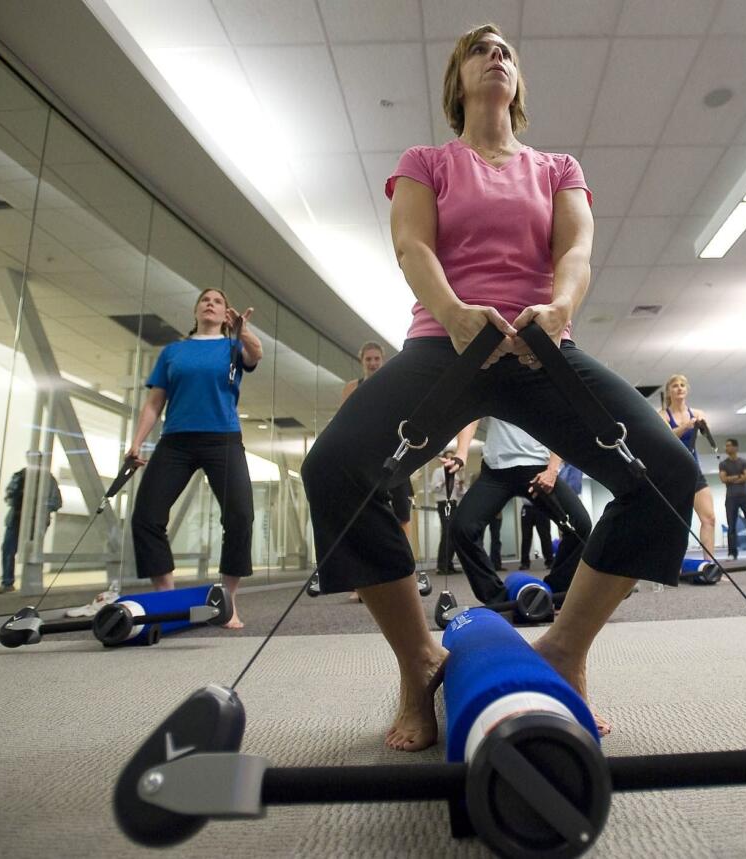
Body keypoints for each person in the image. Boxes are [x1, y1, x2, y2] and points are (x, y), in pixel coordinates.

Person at [299, 24, 698, 751]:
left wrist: (562, 308)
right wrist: (453, 315)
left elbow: (575, 249)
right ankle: (419, 658)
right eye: (481, 48)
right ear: (459, 79)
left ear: (518, 84)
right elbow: (410, 244)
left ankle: (565, 648)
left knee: (667, 472)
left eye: (507, 50)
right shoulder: (427, 161)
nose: (497, 55)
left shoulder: (556, 167)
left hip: (543, 346)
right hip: (444, 346)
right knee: (333, 468)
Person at [125, 287, 262, 629]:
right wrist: (137, 443)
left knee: (240, 516)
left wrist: (241, 328)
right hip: (176, 441)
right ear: (196, 311)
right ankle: (166, 598)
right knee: (146, 516)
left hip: (223, 440)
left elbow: (256, 353)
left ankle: (228, 602)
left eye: (218, 301)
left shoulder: (232, 347)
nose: (211, 304)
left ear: (225, 313)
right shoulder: (174, 352)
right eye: (205, 300)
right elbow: (155, 402)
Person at [449, 418, 592, 604]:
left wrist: (552, 469)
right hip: (495, 472)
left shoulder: (543, 389)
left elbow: (559, 425)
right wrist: (461, 453)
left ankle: (556, 591)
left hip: (537, 471)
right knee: (461, 528)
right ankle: (497, 598)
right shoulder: (489, 389)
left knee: (579, 525)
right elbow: (472, 418)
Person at [341, 341, 415, 603]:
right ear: (361, 360)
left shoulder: (393, 382)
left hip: (394, 458)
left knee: (402, 517)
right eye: (368, 359)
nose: (373, 363)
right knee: (364, 518)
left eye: (376, 359)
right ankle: (363, 581)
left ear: (382, 360)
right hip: (365, 461)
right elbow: (346, 425)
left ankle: (405, 574)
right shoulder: (353, 388)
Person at [657, 374, 716, 559]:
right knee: (677, 523)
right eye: (675, 386)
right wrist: (685, 426)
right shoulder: (662, 415)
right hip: (673, 471)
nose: (679, 388)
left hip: (694, 469)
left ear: (687, 390)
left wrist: (700, 423)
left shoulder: (698, 413)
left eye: (682, 385)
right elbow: (667, 437)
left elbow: (705, 430)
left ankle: (711, 566)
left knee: (709, 518)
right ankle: (671, 566)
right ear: (669, 391)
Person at [0, 458, 62, 594]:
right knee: (7, 549)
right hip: (16, 519)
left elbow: (56, 502)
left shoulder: (48, 480)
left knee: (33, 551)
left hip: (36, 521)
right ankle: (7, 582)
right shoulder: (20, 475)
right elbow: (8, 496)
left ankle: (30, 585)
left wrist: (40, 508)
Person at [718, 438, 746, 563]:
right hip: (731, 498)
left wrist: (731, 478)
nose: (726, 448)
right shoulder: (723, 464)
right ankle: (732, 553)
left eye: (729, 446)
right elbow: (723, 479)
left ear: (736, 448)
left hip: (745, 497)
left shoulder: (743, 462)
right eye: (726, 446)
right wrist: (739, 477)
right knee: (731, 527)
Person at [430, 448, 468, 575]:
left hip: (453, 504)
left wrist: (461, 486)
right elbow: (434, 488)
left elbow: (462, 493)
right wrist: (443, 481)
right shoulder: (438, 472)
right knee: (446, 533)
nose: (451, 460)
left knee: (453, 534)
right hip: (443, 503)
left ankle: (449, 564)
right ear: (444, 460)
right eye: (449, 458)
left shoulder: (456, 474)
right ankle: (442, 566)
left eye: (453, 458)